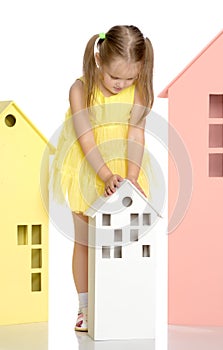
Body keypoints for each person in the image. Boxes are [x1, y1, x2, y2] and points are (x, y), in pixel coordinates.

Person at [52, 25, 154, 332]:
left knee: (120, 242)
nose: (120, 84)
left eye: (129, 78)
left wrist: (132, 175)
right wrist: (104, 174)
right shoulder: (80, 89)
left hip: (125, 166)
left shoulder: (138, 92)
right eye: (114, 77)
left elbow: (136, 134)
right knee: (84, 241)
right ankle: (85, 306)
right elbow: (85, 137)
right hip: (88, 166)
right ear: (99, 60)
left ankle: (120, 300)